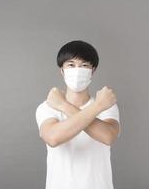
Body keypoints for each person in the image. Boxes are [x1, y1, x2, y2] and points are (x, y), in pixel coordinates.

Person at [35, 40, 120, 189]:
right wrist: (97, 106)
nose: (77, 70)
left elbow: (107, 136)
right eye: (71, 65)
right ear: (62, 70)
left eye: (84, 65)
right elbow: (53, 138)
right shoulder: (47, 108)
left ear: (93, 70)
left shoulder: (106, 106)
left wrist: (64, 105)